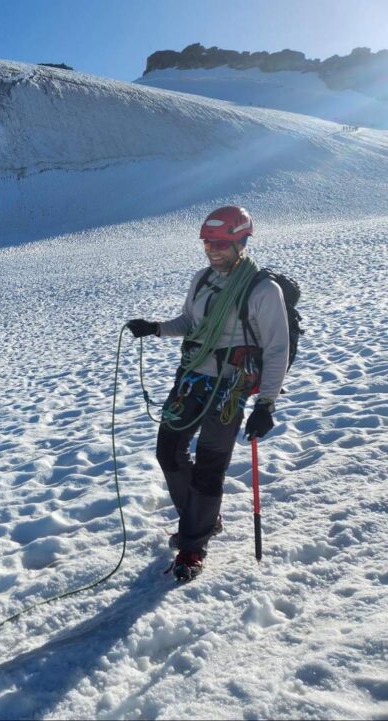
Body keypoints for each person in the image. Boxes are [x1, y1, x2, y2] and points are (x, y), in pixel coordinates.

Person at [126, 206, 288, 582]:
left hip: (231, 386)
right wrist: (155, 328)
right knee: (168, 450)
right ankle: (202, 519)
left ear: (242, 242)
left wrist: (266, 403)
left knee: (211, 463)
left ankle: (193, 544)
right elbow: (190, 322)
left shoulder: (263, 290)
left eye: (221, 243)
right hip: (193, 376)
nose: (213, 250)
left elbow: (276, 349)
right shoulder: (203, 279)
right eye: (207, 243)